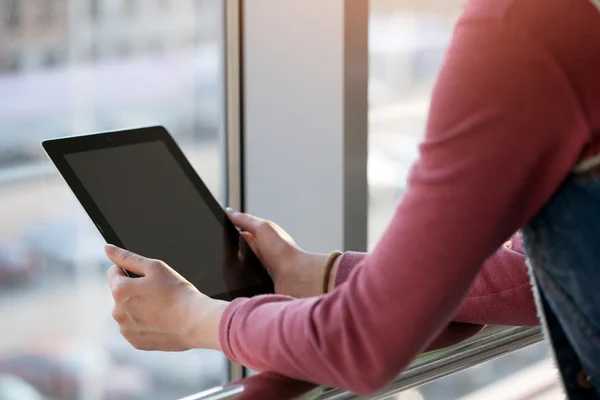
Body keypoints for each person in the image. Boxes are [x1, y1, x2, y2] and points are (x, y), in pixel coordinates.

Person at [105, 0, 600, 397]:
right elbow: (523, 279)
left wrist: (190, 318)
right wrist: (314, 273)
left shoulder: (522, 32)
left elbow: (362, 343)